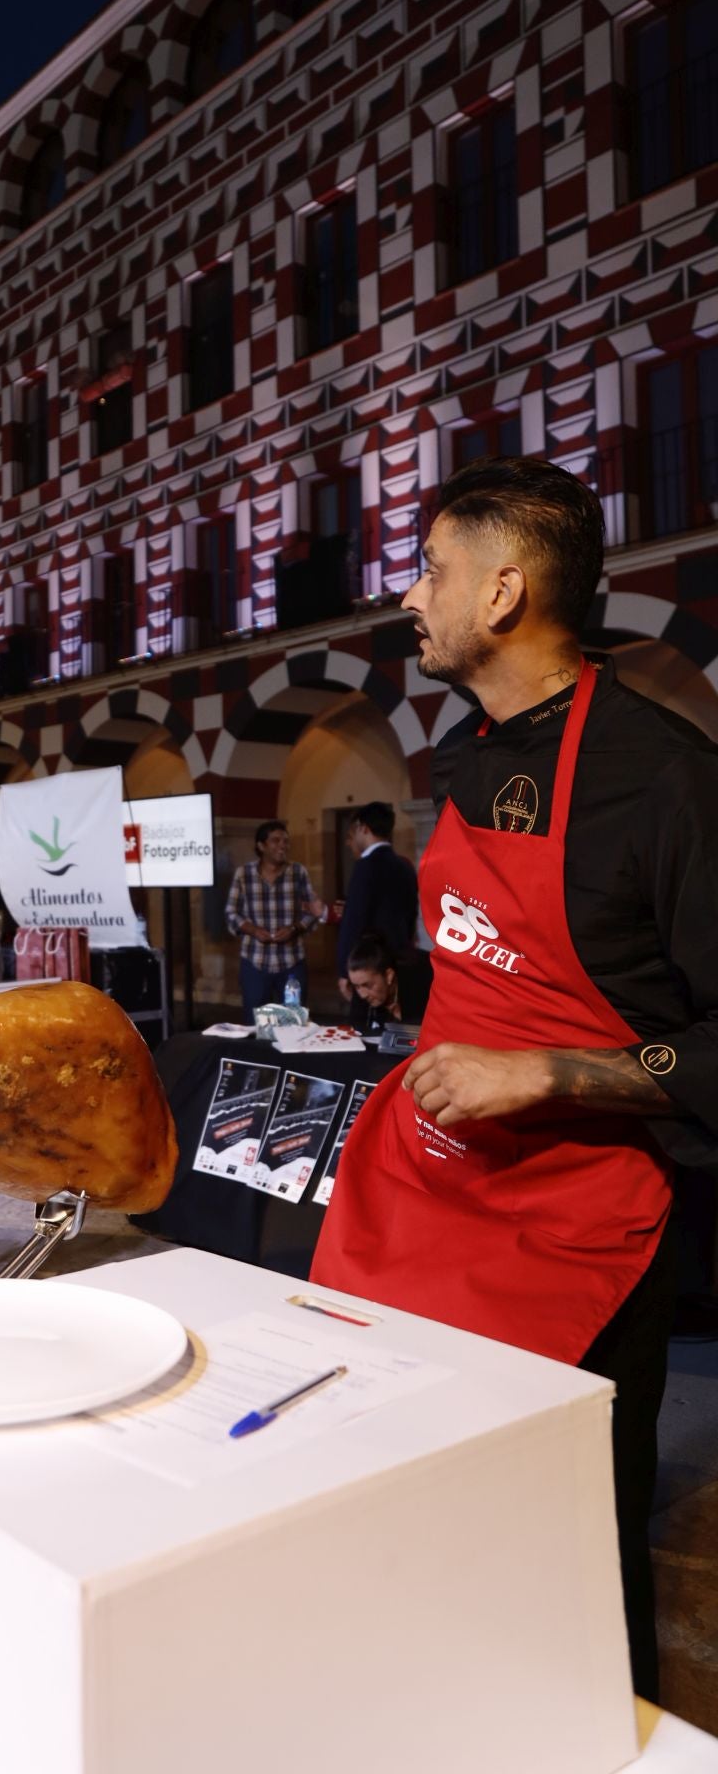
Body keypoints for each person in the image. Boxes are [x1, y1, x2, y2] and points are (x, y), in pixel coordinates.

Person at [312, 455, 718, 1700]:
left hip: (578, 1223)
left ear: (502, 593)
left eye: (430, 569)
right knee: (405, 1493)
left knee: (558, 1559)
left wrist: (540, 1072)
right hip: (425, 1194)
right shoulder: (464, 756)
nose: (408, 596)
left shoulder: (666, 777)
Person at [225, 819, 326, 1021]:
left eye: (286, 841)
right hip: (255, 961)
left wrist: (295, 928)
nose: (283, 846)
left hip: (291, 962)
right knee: (254, 1025)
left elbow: (313, 912)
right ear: (261, 846)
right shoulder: (244, 874)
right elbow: (231, 913)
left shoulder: (298, 873)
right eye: (276, 841)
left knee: (293, 1023)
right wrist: (253, 930)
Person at [334, 802, 419, 1005]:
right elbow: (410, 915)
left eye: (354, 831)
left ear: (363, 828)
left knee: (367, 1025)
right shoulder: (404, 866)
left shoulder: (365, 867)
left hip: (369, 965)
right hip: (398, 958)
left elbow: (354, 921)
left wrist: (345, 971)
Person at [345, 933, 432, 1033]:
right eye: (356, 986)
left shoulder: (419, 983)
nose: (362, 994)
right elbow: (356, 1029)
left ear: (388, 976)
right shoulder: (361, 987)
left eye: (368, 985)